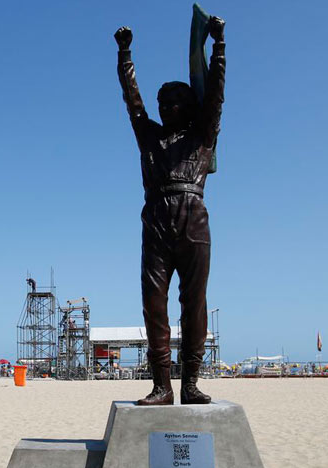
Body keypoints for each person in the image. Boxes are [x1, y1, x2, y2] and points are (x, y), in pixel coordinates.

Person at [113, 14, 225, 406]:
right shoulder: (150, 137)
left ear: (188, 105)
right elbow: (133, 102)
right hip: (156, 219)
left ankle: (190, 383)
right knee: (153, 304)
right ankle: (162, 385)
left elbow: (215, 96)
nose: (165, 106)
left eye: (174, 100)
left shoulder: (202, 135)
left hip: (193, 217)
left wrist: (219, 46)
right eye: (162, 101)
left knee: (194, 303)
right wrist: (125, 54)